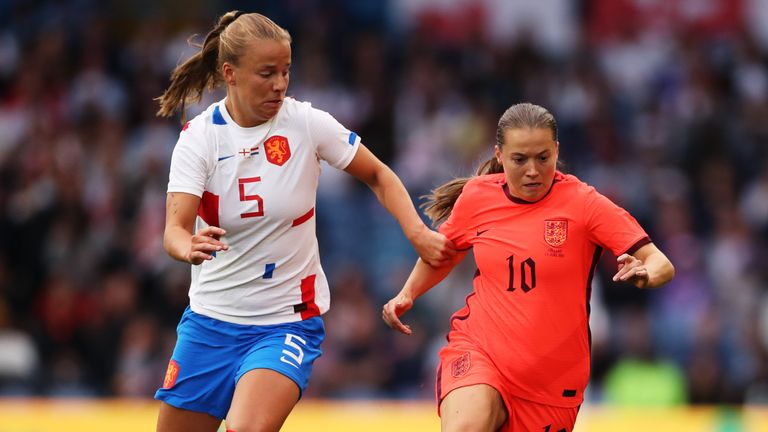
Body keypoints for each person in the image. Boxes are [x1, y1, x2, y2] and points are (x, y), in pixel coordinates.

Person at [153, 11, 455, 432]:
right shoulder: (199, 138)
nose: (280, 83)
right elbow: (174, 229)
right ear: (230, 74)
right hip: (210, 322)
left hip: (285, 321)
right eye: (266, 73)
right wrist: (187, 246)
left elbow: (378, 174)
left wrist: (417, 231)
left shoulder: (306, 123)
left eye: (285, 71)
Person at [382, 102, 675, 432]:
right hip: (481, 350)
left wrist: (646, 274)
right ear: (500, 155)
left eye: (543, 157)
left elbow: (660, 262)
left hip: (552, 383)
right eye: (520, 159)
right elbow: (443, 253)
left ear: (556, 151)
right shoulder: (477, 197)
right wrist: (407, 294)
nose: (532, 170)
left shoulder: (584, 203)